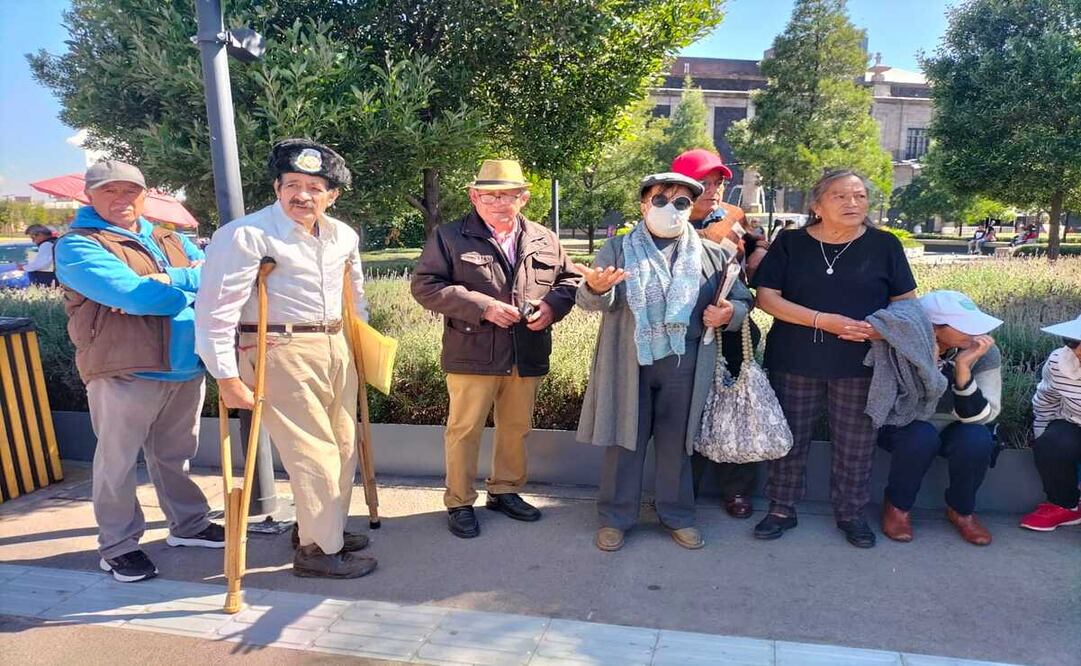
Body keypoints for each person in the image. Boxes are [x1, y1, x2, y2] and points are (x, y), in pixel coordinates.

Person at [195, 139, 377, 579]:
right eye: (293, 184)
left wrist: (364, 347)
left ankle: (318, 530)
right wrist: (225, 376)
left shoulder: (342, 235)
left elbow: (356, 298)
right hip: (279, 350)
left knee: (342, 445)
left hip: (336, 347)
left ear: (332, 195)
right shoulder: (246, 235)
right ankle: (319, 553)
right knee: (312, 454)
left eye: (316, 187)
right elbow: (215, 311)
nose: (303, 195)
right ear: (277, 187)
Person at [54, 160, 221, 583]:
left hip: (184, 366)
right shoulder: (78, 245)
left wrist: (168, 280)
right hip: (123, 369)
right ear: (88, 195)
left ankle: (188, 525)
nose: (121, 199)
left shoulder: (171, 237)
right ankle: (118, 547)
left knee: (175, 455)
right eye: (109, 191)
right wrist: (181, 288)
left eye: (130, 191)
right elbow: (136, 295)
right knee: (117, 462)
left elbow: (216, 280)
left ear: (145, 195)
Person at [576, 172, 753, 552]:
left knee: (677, 444)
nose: (669, 209)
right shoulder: (618, 250)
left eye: (681, 203)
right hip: (630, 360)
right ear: (643, 205)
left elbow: (742, 300)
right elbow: (590, 301)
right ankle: (615, 517)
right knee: (625, 439)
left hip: (686, 361)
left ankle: (677, 515)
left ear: (691, 209)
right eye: (660, 200)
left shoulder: (714, 253)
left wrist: (728, 314)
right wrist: (596, 288)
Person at [411, 159, 581, 539]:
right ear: (474, 196)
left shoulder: (544, 238)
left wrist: (553, 306)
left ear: (523, 197)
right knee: (464, 429)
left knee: (516, 428)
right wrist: (483, 307)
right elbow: (425, 286)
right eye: (489, 195)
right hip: (472, 351)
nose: (498, 202)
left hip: (527, 349)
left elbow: (570, 280)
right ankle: (458, 501)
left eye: (507, 195)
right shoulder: (450, 236)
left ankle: (505, 490)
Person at [752, 169, 917, 548]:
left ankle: (851, 513)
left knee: (856, 444)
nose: (853, 203)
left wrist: (881, 329)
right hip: (794, 358)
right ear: (817, 205)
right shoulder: (791, 243)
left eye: (859, 196)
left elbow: (906, 306)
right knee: (789, 438)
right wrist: (822, 321)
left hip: (860, 363)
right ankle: (781, 508)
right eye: (841, 196)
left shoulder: (884, 246)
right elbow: (766, 298)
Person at [670, 148, 760, 519]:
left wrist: (733, 311)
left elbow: (751, 270)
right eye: (703, 183)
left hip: (731, 333)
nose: (713, 190)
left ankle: (736, 489)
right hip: (682, 337)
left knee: (735, 409)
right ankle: (679, 487)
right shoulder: (662, 223)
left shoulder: (736, 218)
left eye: (718, 182)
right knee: (683, 411)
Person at [877, 291, 1003, 545]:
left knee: (977, 439)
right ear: (933, 328)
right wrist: (928, 367)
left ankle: (961, 510)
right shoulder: (901, 348)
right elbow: (897, 408)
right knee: (920, 436)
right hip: (904, 424)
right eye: (965, 327)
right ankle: (898, 507)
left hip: (957, 426)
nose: (975, 334)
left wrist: (963, 369)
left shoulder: (983, 352)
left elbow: (982, 416)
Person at [1020, 315, 1081, 531]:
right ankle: (1064, 504)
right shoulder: (1059, 361)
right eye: (1073, 341)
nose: (1078, 350)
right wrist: (1042, 441)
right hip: (1074, 422)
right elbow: (1046, 399)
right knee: (1051, 444)